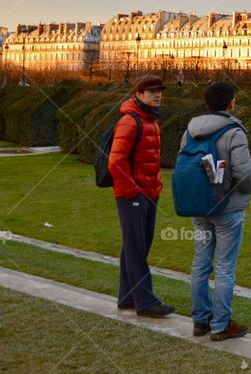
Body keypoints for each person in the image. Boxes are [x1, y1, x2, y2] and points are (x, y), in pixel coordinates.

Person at [184, 81, 251, 340]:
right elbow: (244, 173)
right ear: (231, 103)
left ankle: (200, 321)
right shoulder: (235, 131)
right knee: (225, 266)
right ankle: (220, 324)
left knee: (200, 264)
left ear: (206, 104)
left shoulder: (190, 130)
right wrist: (244, 193)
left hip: (199, 205)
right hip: (227, 207)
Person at [109, 74, 174, 318]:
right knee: (136, 247)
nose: (157, 94)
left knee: (137, 246)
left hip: (148, 192)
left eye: (159, 90)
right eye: (151, 91)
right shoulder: (130, 121)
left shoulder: (151, 120)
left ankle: (127, 296)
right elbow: (116, 163)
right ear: (138, 94)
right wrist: (134, 192)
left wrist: (154, 186)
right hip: (134, 194)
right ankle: (145, 301)